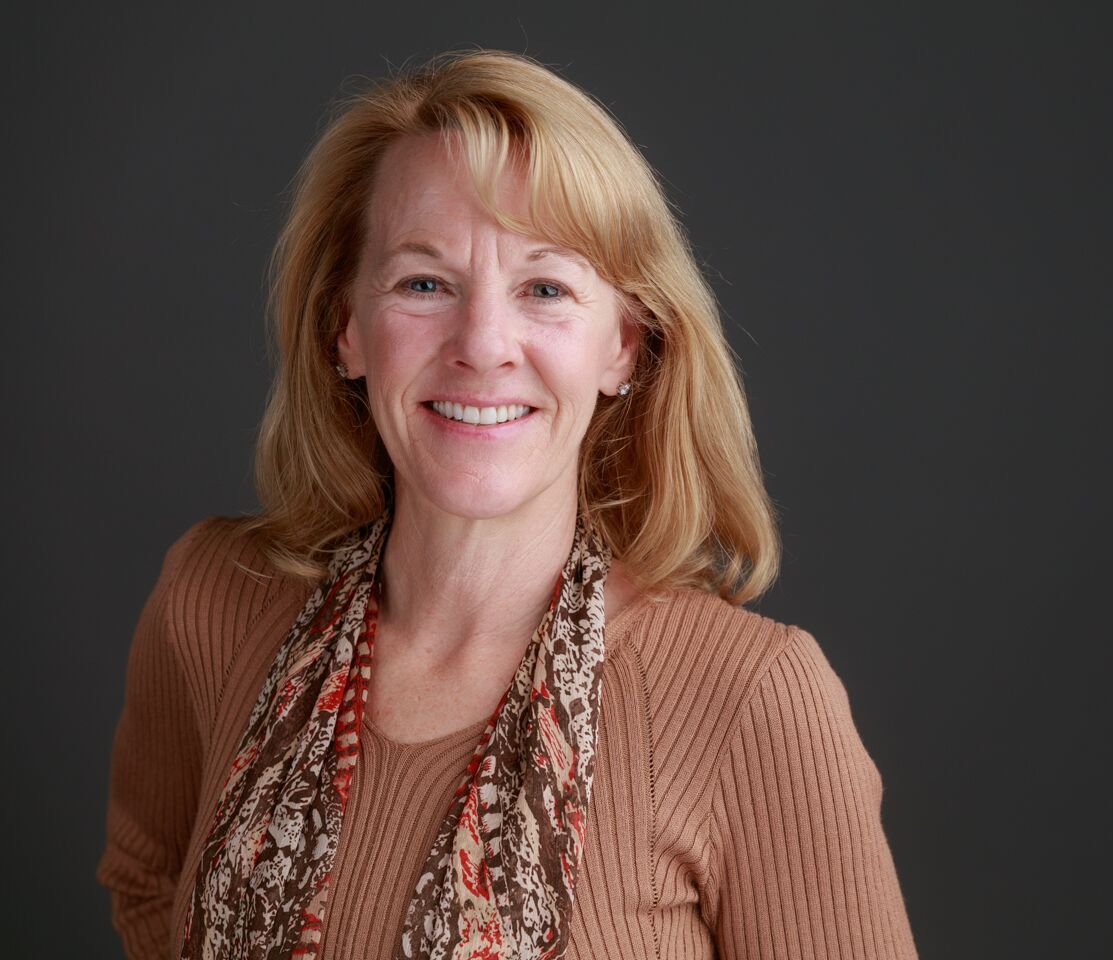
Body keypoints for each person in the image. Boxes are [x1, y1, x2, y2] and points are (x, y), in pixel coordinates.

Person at [96, 48, 918, 960]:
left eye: (545, 289)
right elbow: (148, 883)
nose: (482, 345)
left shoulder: (750, 699)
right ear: (345, 329)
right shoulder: (212, 600)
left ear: (624, 347)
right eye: (424, 283)